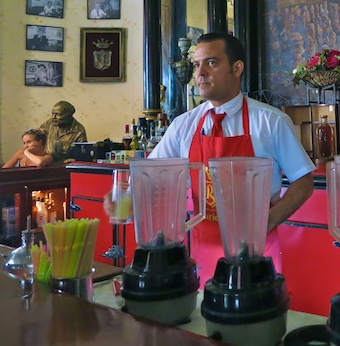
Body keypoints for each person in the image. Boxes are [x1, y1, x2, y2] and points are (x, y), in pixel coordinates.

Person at [105, 32, 315, 286]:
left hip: (255, 252)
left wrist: (265, 224)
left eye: (211, 63)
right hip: (199, 249)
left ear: (237, 68)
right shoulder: (184, 125)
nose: (200, 73)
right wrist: (128, 200)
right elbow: (151, 176)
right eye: (196, 65)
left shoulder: (270, 121)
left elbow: (303, 183)